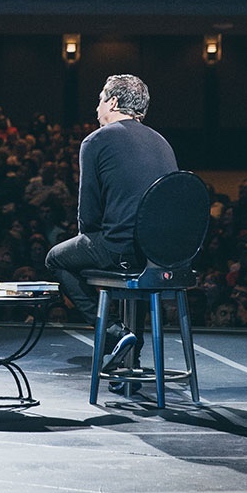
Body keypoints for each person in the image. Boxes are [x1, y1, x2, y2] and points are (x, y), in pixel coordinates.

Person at [45, 74, 178, 376]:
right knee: (140, 263)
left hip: (121, 249)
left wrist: (88, 239)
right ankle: (134, 350)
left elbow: (88, 213)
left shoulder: (96, 140)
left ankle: (114, 333)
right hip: (161, 256)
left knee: (56, 259)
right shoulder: (163, 142)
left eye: (100, 99)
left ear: (114, 102)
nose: (97, 108)